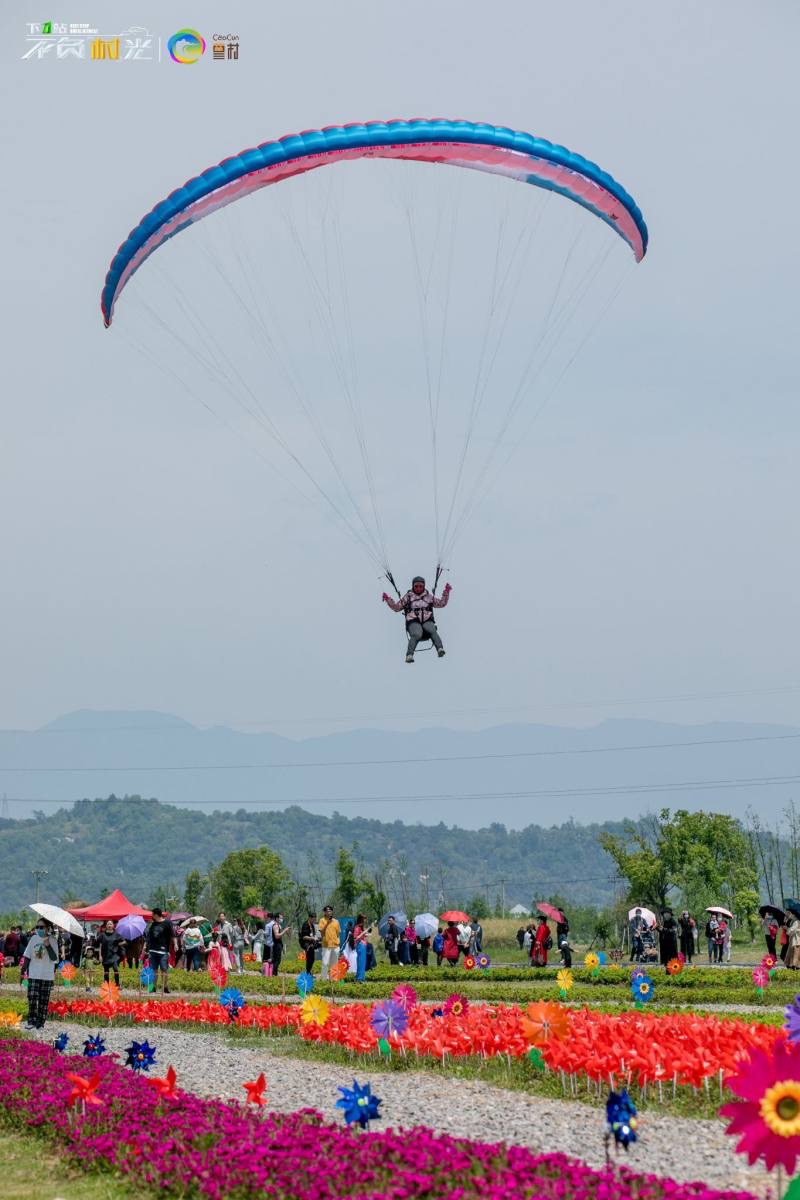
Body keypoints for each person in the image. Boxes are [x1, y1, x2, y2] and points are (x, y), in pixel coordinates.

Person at [382, 577, 452, 663]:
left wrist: (446, 592)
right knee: (417, 634)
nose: (418, 588)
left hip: (427, 620)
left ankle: (440, 649)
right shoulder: (408, 597)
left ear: (424, 587)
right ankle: (409, 655)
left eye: (420, 586)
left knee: (432, 630)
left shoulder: (429, 597)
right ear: (413, 586)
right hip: (413, 620)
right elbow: (397, 607)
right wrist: (388, 599)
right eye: (416, 586)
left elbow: (441, 603)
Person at [22, 919, 59, 1031]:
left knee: (43, 1000)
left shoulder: (53, 940)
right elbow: (27, 955)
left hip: (46, 975)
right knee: (32, 997)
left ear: (48, 928)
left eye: (41, 927)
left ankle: (40, 1022)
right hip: (33, 973)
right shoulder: (33, 939)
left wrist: (47, 945)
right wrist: (23, 969)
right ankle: (31, 1021)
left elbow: (55, 959)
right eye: (37, 927)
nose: (39, 929)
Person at [146, 908, 174, 993]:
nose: (152, 916)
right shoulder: (153, 924)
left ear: (156, 914)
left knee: (164, 969)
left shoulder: (167, 923)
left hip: (163, 950)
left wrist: (170, 949)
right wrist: (146, 948)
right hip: (153, 950)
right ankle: (153, 987)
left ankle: (165, 987)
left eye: (152, 914)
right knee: (153, 969)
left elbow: (171, 936)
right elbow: (149, 937)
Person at [98, 919, 125, 988]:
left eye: (110, 924)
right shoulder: (102, 935)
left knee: (116, 969)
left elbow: (124, 942)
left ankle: (117, 985)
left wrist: (118, 944)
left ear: (113, 926)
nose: (109, 925)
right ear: (106, 926)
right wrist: (100, 955)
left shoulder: (117, 934)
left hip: (114, 955)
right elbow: (100, 945)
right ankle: (106, 985)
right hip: (105, 955)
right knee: (106, 971)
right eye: (108, 924)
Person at [318, 906, 341, 981]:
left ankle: (333, 979)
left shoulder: (336, 921)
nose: (328, 912)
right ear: (324, 912)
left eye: (330, 910)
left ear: (332, 912)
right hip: (326, 946)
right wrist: (327, 923)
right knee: (325, 963)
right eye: (327, 911)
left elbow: (338, 933)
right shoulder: (322, 920)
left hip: (335, 945)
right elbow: (321, 932)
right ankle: (324, 980)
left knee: (334, 964)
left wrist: (335, 940)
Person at [351, 913, 370, 982]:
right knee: (360, 962)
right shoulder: (357, 927)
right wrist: (361, 935)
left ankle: (362, 977)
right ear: (361, 919)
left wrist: (365, 934)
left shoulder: (361, 927)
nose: (365, 921)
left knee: (363, 962)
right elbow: (355, 938)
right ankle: (359, 978)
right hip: (360, 945)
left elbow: (361, 936)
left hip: (363, 945)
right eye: (364, 919)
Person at [299, 911, 319, 976]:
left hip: (311, 942)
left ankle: (309, 971)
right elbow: (304, 937)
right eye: (313, 919)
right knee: (309, 958)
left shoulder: (312, 925)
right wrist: (312, 938)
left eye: (315, 919)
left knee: (312, 959)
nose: (314, 920)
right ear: (310, 918)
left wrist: (315, 938)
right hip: (305, 943)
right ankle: (308, 973)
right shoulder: (305, 925)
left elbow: (313, 934)